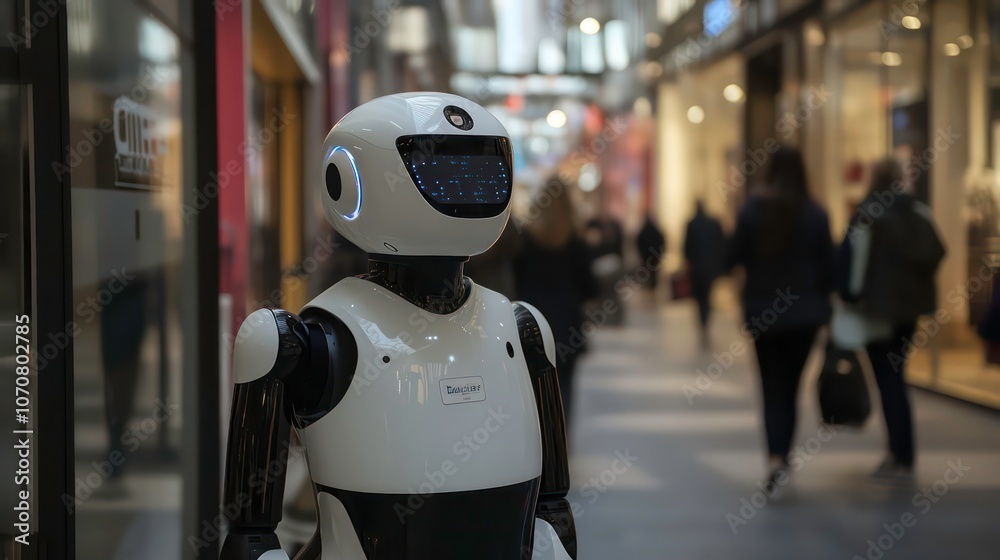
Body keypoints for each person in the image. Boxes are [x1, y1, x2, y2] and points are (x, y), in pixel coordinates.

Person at [729, 146, 834, 496]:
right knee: (791, 388)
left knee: (771, 388)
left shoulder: (753, 210)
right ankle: (784, 457)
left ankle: (775, 458)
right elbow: (829, 267)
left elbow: (734, 255)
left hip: (765, 314)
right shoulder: (815, 213)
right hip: (806, 316)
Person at [837, 157, 945, 479]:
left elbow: (852, 263)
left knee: (888, 380)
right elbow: (935, 252)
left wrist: (849, 297)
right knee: (897, 376)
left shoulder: (868, 213)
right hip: (907, 311)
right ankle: (902, 452)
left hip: (876, 310)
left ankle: (898, 454)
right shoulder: (917, 211)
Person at [513, 177, 598, 426]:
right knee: (565, 390)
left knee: (531, 390)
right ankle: (561, 448)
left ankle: (537, 448)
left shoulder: (525, 241)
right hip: (566, 325)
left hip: (530, 324)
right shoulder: (576, 244)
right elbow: (589, 288)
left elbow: (515, 282)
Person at [683, 202, 727, 346]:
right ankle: (705, 322)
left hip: (697, 269)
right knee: (706, 297)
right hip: (709, 268)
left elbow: (687, 248)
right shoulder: (713, 224)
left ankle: (703, 323)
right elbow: (721, 244)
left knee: (700, 298)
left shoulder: (692, 224)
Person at [636, 212, 667, 292]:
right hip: (654, 254)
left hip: (647, 255)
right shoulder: (654, 230)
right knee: (653, 271)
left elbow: (639, 241)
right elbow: (661, 240)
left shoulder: (644, 230)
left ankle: (651, 286)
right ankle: (653, 285)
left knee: (649, 271)